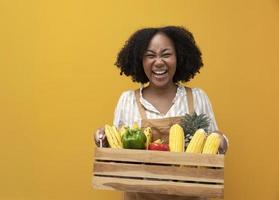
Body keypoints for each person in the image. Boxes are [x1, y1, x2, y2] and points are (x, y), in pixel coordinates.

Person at [94, 26, 228, 200]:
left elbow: (217, 147)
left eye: (166, 54)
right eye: (150, 55)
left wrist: (221, 140)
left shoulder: (197, 97)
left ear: (179, 57)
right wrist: (102, 139)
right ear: (140, 61)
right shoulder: (127, 100)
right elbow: (116, 152)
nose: (158, 62)